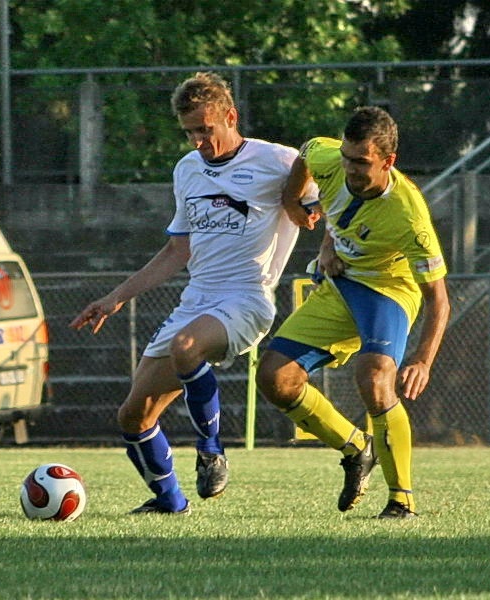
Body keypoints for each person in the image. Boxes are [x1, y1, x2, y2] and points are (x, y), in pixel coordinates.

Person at [69, 72, 315, 515]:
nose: (199, 140)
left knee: (186, 348)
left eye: (207, 129)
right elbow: (176, 249)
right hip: (197, 299)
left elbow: (325, 194)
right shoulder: (186, 169)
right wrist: (116, 296)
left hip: (247, 297)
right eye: (190, 132)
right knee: (134, 416)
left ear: (230, 117)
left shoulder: (277, 161)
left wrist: (323, 237)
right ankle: (170, 502)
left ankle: (211, 449)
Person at [256, 106, 451, 519]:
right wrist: (294, 202)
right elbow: (307, 154)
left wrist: (422, 360)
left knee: (375, 376)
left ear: (388, 161)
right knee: (275, 377)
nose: (349, 168)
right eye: (346, 157)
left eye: (361, 162)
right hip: (340, 285)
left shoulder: (409, 215)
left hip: (388, 290)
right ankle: (355, 447)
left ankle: (401, 500)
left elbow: (439, 298)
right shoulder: (331, 160)